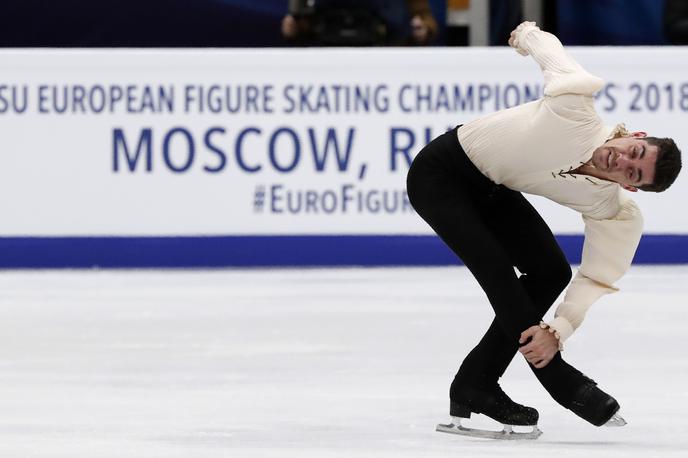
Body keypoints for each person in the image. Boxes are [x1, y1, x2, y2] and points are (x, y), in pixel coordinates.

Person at [406, 21, 682, 439]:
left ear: (631, 186)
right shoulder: (575, 105)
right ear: (636, 136)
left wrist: (558, 330)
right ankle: (559, 382)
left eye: (634, 173)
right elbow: (552, 53)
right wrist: (526, 35)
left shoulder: (608, 206)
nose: (623, 162)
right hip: (440, 173)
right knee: (497, 272)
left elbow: (597, 276)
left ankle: (474, 384)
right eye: (634, 152)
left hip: (490, 189)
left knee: (550, 271)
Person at [281, 0, 438, 46]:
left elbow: (425, 18)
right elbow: (300, 20)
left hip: (384, 54)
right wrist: (294, 26)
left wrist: (423, 28)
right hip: (326, 56)